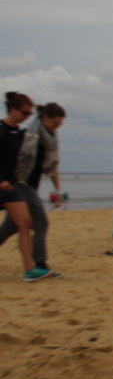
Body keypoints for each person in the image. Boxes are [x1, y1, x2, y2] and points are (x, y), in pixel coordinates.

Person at [0, 102, 66, 279]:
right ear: (44, 118)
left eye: (60, 124)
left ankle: (37, 265)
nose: (57, 127)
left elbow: (52, 166)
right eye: (54, 123)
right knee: (41, 223)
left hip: (29, 186)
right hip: (20, 184)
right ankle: (39, 264)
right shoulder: (29, 136)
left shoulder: (49, 140)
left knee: (11, 226)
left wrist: (58, 190)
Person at [0, 92, 38, 280]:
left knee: (25, 223)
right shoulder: (1, 129)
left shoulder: (21, 134)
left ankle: (29, 269)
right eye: (24, 113)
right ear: (13, 109)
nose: (26, 117)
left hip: (10, 188)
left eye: (29, 114)